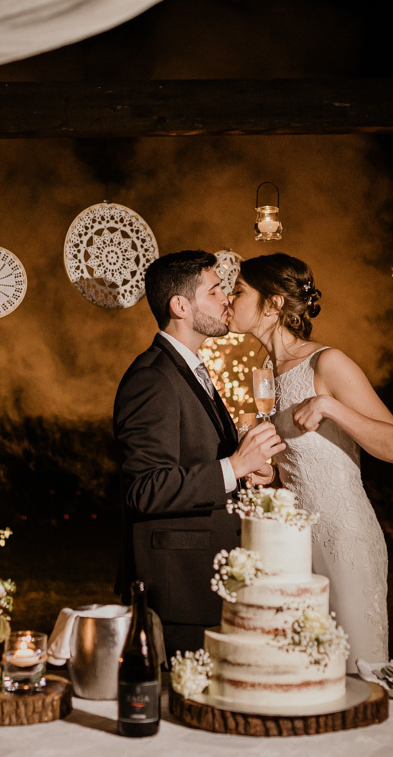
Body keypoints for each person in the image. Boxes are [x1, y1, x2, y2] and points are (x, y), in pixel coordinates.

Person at [228, 253, 393, 665]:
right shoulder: (267, 372)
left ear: (273, 304)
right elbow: (302, 464)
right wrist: (270, 475)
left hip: (344, 541)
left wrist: (330, 406)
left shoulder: (325, 362)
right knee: (307, 674)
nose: (229, 300)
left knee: (355, 670)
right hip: (293, 546)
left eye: (238, 292)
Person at [114, 250, 285, 656]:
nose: (227, 299)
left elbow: (196, 461)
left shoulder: (187, 369)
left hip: (205, 580)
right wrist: (233, 466)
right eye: (214, 291)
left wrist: (248, 472)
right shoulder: (151, 377)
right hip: (178, 589)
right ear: (180, 306)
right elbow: (145, 489)